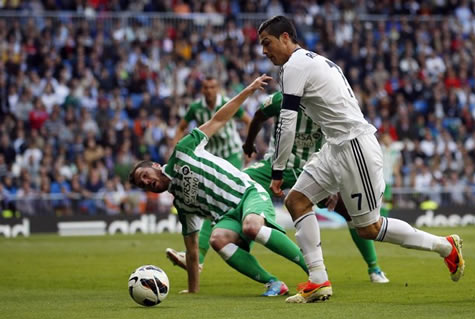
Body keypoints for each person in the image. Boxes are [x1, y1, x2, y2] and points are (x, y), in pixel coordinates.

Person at [258, 16, 464, 303]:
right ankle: (318, 281)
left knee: (369, 228)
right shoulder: (313, 61)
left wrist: (277, 169)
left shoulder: (294, 65)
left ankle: (445, 246)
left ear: (285, 38)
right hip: (335, 145)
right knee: (297, 201)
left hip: (353, 145)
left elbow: (288, 120)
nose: (264, 51)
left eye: (266, 43)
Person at [167, 91, 390, 284]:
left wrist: (334, 182)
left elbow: (339, 141)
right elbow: (257, 116)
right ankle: (197, 260)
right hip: (274, 167)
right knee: (230, 193)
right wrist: (249, 142)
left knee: (351, 211)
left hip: (314, 168)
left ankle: (374, 268)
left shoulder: (328, 106)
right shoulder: (280, 100)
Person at [129, 75, 309, 296]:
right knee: (216, 238)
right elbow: (192, 250)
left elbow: (218, 120)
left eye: (145, 175)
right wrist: (193, 290)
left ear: (156, 165)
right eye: (142, 183)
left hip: (248, 193)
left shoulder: (183, 151)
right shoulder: (182, 205)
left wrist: (249, 89)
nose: (146, 181)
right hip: (228, 216)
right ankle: (273, 283)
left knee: (251, 226)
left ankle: (313, 268)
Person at [169, 76, 252, 271]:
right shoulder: (196, 108)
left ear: (218, 88)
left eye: (213, 87)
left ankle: (198, 258)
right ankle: (236, 240)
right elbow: (181, 127)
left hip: (231, 156)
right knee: (212, 207)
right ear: (202, 90)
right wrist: (175, 150)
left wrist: (248, 145)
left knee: (213, 207)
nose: (209, 90)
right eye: (206, 87)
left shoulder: (226, 103)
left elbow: (248, 120)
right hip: (210, 158)